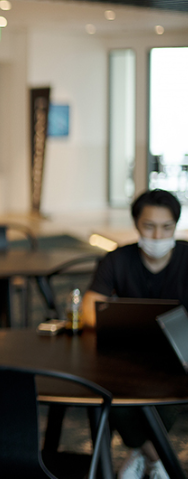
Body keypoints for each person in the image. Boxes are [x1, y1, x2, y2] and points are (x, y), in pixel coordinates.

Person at [82, 188, 187, 479]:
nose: (158, 236)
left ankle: (142, 455)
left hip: (177, 356)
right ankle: (157, 458)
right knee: (110, 387)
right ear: (136, 224)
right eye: (149, 226)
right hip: (128, 355)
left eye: (167, 227)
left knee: (166, 387)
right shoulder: (118, 259)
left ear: (175, 226)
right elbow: (89, 308)